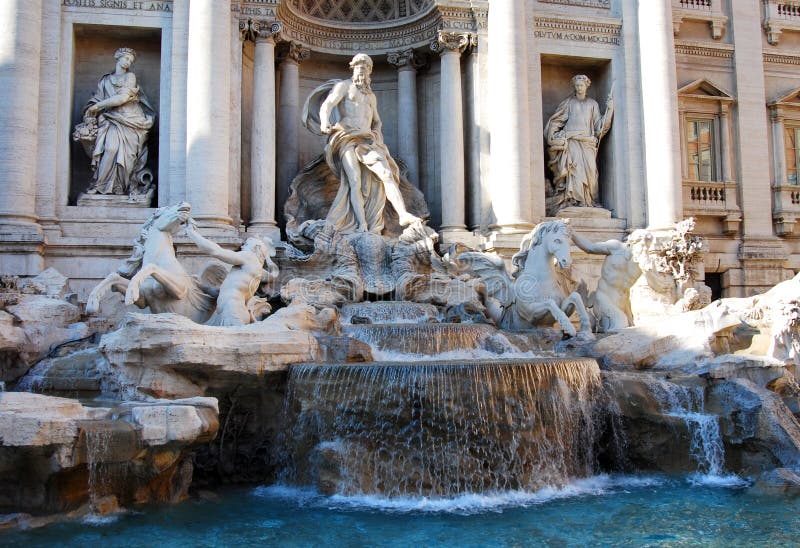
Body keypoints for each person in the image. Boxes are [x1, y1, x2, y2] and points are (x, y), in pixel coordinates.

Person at [304, 53, 420, 234]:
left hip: (367, 141)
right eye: (359, 67)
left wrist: (376, 136)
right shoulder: (344, 86)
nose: (362, 71)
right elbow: (327, 104)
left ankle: (403, 214)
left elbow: (377, 121)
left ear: (369, 72)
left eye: (365, 68)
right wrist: (325, 121)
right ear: (353, 68)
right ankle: (362, 225)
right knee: (354, 180)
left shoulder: (371, 97)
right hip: (346, 138)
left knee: (386, 174)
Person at [80, 47, 156, 196]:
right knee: (110, 149)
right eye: (126, 58)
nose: (128, 62)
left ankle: (119, 187)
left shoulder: (130, 77)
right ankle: (100, 185)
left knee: (126, 156)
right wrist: (92, 108)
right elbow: (96, 98)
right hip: (110, 120)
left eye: (130, 61)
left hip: (130, 120)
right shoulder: (105, 80)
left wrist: (98, 106)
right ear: (117, 57)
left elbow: (121, 98)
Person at [185, 221, 278, 326]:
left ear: (256, 248)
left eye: (247, 244)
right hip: (234, 310)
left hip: (232, 310)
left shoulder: (249, 257)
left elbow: (216, 251)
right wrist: (204, 288)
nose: (242, 247)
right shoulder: (257, 270)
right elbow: (230, 288)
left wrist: (193, 234)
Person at [545, 75, 613, 210]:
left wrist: (610, 110)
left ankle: (589, 200)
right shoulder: (568, 103)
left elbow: (599, 126)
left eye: (581, 85)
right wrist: (553, 135)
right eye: (577, 85)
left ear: (587, 86)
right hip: (572, 141)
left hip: (587, 143)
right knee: (574, 171)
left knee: (591, 172)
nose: (579, 88)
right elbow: (556, 121)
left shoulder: (593, 104)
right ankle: (574, 201)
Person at [571, 229, 651, 332]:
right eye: (642, 245)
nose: (644, 249)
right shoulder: (616, 247)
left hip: (624, 305)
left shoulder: (642, 261)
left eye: (647, 247)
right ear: (632, 242)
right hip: (604, 299)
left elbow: (657, 286)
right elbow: (589, 247)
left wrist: (648, 269)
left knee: (631, 330)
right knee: (620, 323)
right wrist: (571, 233)